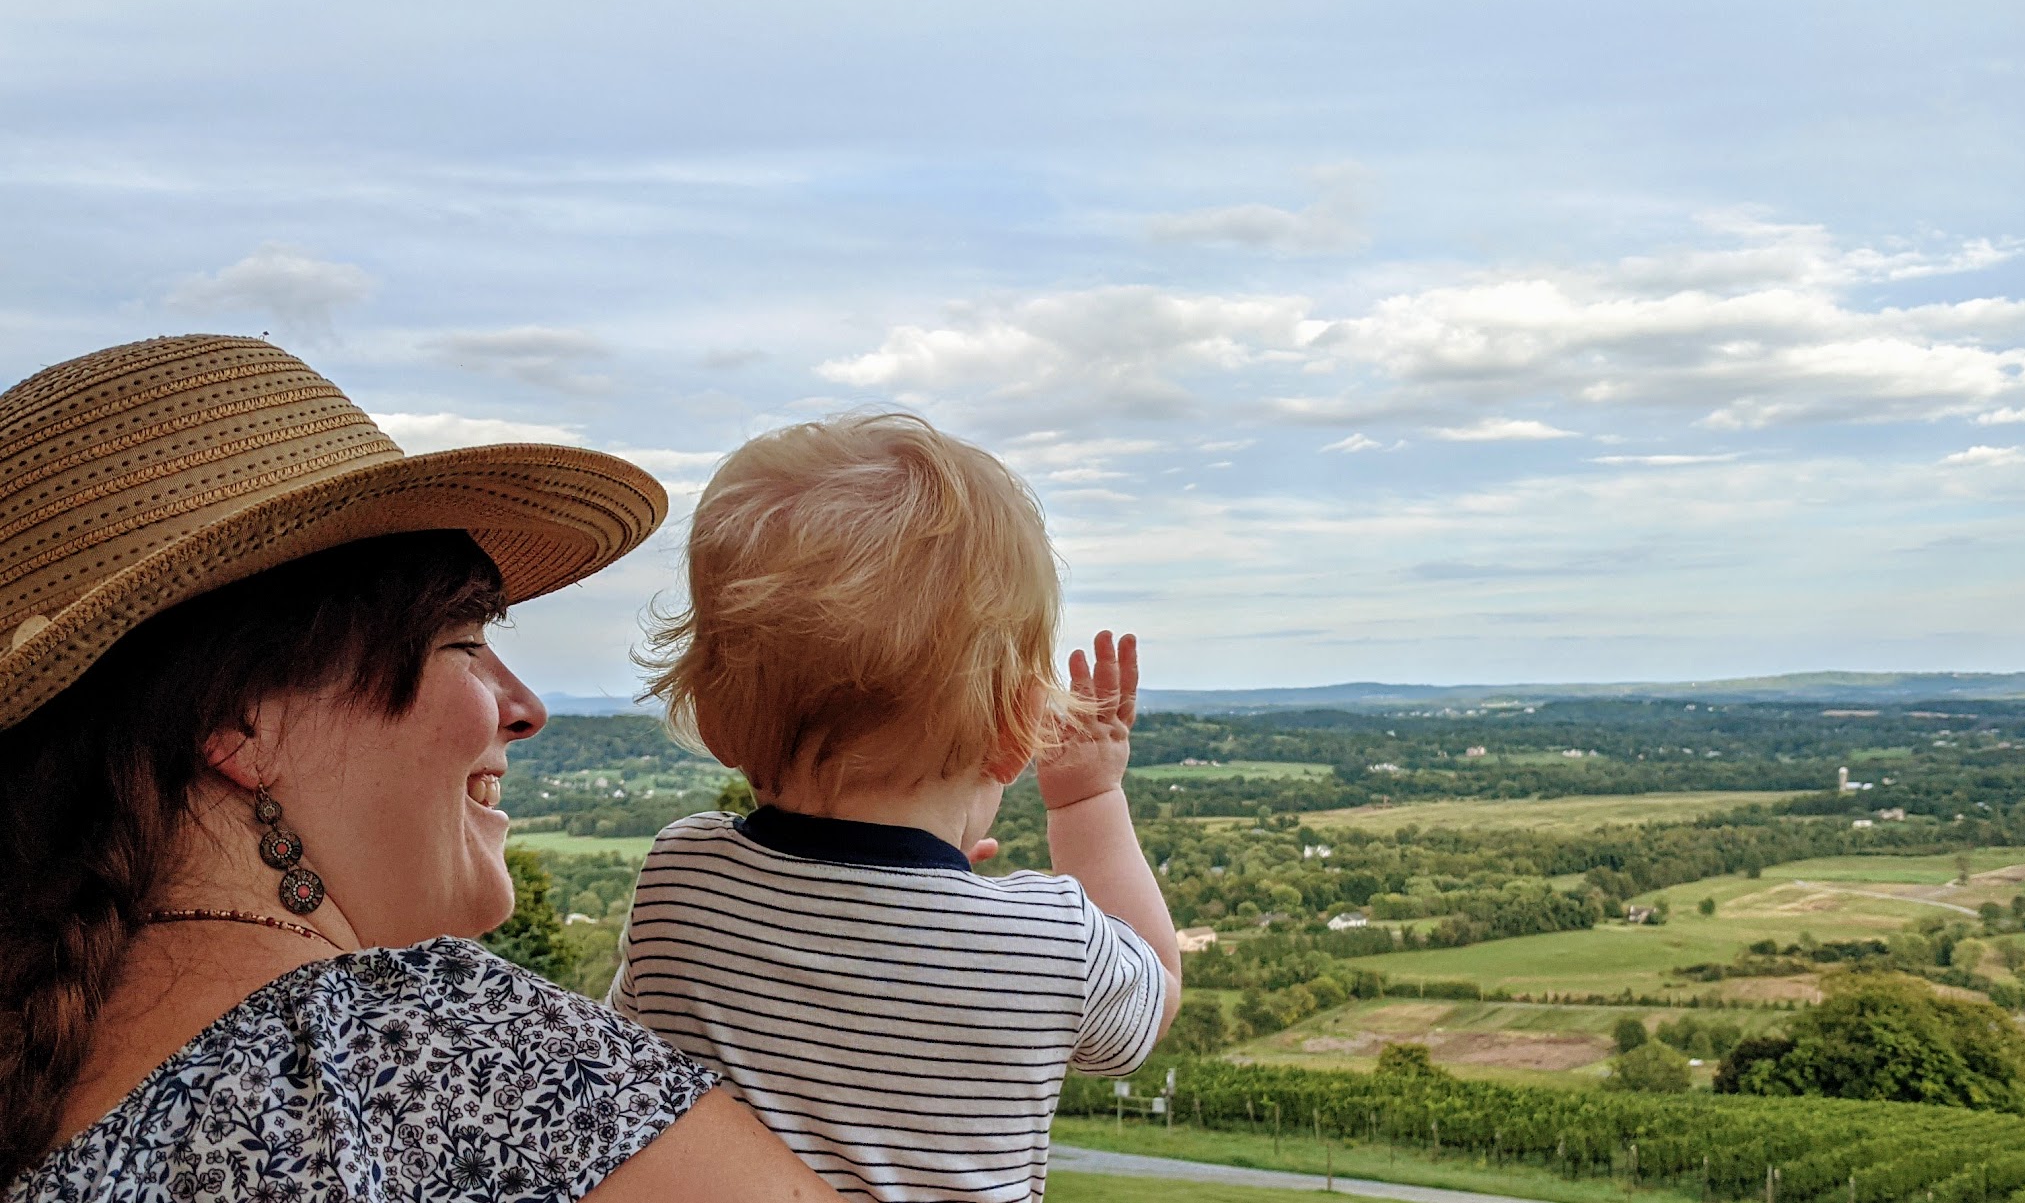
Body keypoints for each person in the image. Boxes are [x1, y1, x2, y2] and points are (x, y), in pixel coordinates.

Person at [0, 334, 841, 1201]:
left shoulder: (36, 1073)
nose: (526, 707)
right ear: (242, 721)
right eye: (463, 640)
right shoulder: (427, 1052)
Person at [612, 412, 1181, 1203]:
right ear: (1019, 729)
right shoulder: (1052, 945)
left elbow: (634, 1051)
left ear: (715, 715)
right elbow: (1156, 988)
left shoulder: (680, 880)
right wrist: (1088, 797)